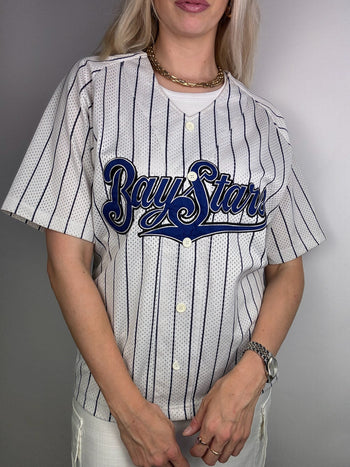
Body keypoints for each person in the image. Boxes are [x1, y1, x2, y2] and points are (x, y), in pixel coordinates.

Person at [1, 0, 325, 466]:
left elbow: (287, 272)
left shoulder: (264, 124)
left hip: (229, 420)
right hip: (115, 417)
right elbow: (66, 262)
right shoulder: (94, 89)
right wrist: (130, 412)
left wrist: (249, 378)